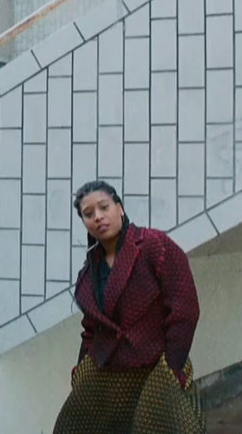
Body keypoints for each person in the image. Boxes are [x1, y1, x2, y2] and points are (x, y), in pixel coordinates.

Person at [53, 180, 205, 434]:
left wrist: (173, 365)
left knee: (166, 427)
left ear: (120, 208)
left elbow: (185, 309)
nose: (98, 217)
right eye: (88, 214)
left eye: (104, 207)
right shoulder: (90, 269)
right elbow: (91, 328)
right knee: (71, 426)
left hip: (157, 364)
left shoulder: (153, 246)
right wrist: (81, 369)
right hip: (107, 367)